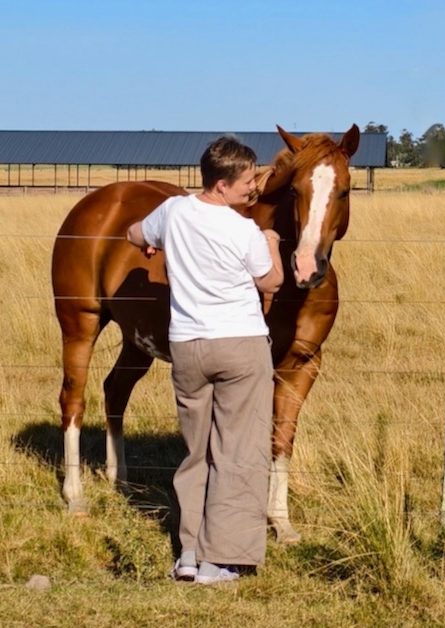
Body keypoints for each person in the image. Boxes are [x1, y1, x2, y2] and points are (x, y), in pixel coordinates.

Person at [127, 136, 283, 584]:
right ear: (221, 184)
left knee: (196, 451)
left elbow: (135, 232)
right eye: (246, 180)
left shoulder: (173, 210)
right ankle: (223, 557)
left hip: (188, 346)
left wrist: (150, 245)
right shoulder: (243, 230)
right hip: (240, 344)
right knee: (238, 450)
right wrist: (270, 240)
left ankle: (190, 553)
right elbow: (270, 282)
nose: (252, 187)